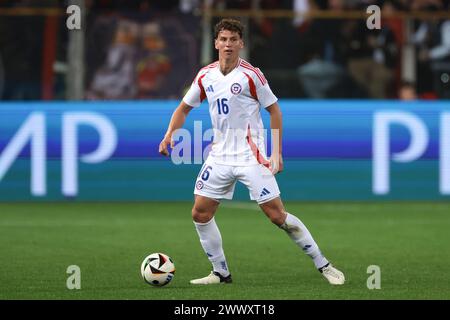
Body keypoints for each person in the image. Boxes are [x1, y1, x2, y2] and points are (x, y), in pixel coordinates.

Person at [159, 18, 345, 285]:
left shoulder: (251, 74)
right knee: (200, 213)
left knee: (276, 216)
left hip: (251, 155)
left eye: (233, 40)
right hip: (220, 154)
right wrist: (169, 135)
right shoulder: (205, 75)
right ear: (215, 43)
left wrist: (276, 152)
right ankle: (220, 273)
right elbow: (183, 108)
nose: (228, 45)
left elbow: (274, 110)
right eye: (223, 39)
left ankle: (324, 265)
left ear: (241, 44)